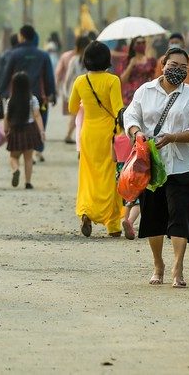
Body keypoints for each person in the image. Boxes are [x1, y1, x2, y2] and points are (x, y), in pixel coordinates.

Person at [123, 48, 189, 287]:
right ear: (162, 65)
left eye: (182, 67)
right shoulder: (145, 91)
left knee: (180, 218)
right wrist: (137, 133)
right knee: (154, 218)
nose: (176, 70)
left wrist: (174, 137)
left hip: (181, 166)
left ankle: (178, 267)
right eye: (173, 64)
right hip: (152, 166)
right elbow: (130, 116)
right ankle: (158, 263)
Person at [68, 41, 124, 237]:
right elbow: (118, 109)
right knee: (110, 178)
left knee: (88, 177)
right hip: (109, 134)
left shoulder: (80, 81)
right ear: (107, 59)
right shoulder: (113, 80)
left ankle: (86, 212)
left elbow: (72, 108)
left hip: (88, 134)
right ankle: (113, 224)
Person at [0, 25, 55, 162]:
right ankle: (34, 149)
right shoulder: (43, 55)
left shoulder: (14, 55)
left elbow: (5, 76)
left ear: (21, 36)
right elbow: (48, 77)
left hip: (16, 96)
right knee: (36, 118)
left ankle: (19, 152)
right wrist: (51, 94)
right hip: (37, 95)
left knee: (18, 122)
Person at [5, 72, 45, 189]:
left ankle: (16, 169)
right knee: (28, 158)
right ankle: (28, 182)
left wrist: (6, 130)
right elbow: (37, 115)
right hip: (30, 129)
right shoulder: (32, 99)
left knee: (14, 156)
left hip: (16, 130)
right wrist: (41, 131)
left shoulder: (10, 100)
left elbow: (7, 118)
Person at [117, 36, 157, 106]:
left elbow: (154, 78)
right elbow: (123, 79)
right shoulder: (127, 60)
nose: (141, 45)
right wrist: (130, 65)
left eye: (143, 42)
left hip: (145, 93)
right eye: (138, 43)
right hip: (130, 95)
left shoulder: (150, 61)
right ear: (133, 46)